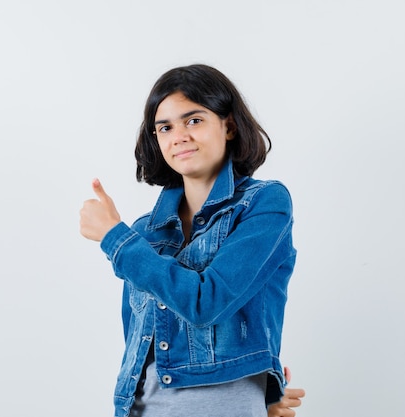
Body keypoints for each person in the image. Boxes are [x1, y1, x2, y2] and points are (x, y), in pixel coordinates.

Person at [80, 64, 303, 417]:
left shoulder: (265, 203)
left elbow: (208, 301)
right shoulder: (143, 232)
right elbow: (137, 347)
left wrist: (114, 238)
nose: (178, 136)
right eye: (165, 127)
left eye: (194, 120)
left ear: (228, 125)